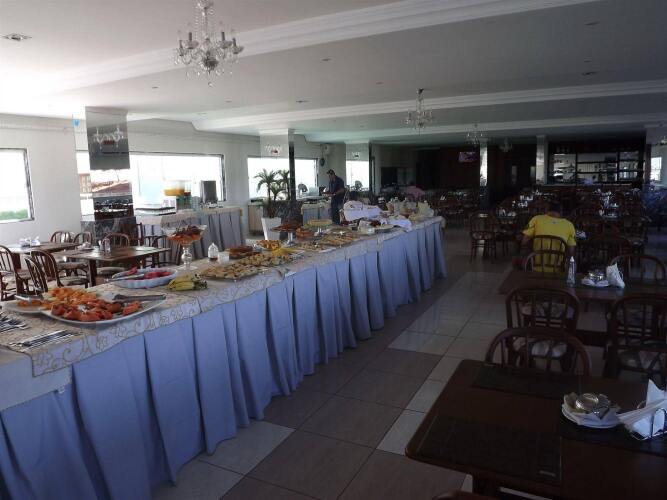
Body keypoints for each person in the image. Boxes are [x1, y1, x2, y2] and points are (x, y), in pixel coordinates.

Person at [521, 200, 576, 271]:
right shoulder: (569, 225)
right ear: (561, 212)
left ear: (547, 211)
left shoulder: (536, 219)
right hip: (558, 269)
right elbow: (571, 250)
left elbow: (524, 241)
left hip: (536, 267)